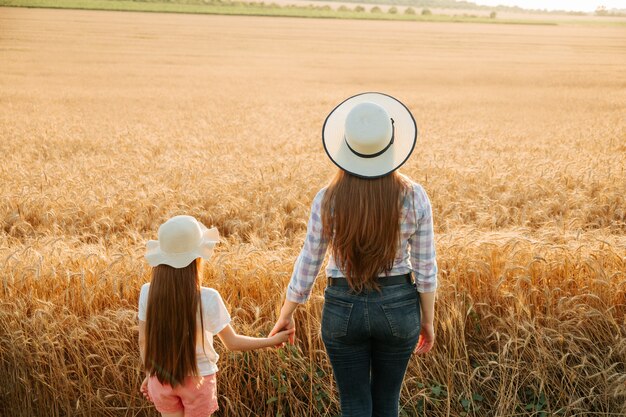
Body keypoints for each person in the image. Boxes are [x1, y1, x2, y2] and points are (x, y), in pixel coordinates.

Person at [269, 93, 438, 417]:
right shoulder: (414, 196)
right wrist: (426, 320)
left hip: (342, 306)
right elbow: (425, 267)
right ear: (391, 145)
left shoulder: (328, 199)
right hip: (400, 306)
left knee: (355, 405)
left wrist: (286, 312)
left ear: (346, 148)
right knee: (387, 403)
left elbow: (310, 260)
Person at [137, 215, 294, 417]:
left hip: (161, 379)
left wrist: (151, 373)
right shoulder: (208, 298)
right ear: (197, 258)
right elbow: (232, 343)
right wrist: (271, 340)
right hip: (198, 380)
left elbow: (144, 341)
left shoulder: (147, 292)